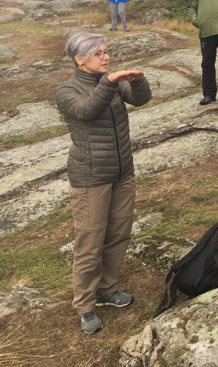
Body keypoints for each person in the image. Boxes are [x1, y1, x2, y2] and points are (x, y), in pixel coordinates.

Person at [55, 31, 152, 335]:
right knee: (90, 241)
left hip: (122, 172)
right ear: (79, 59)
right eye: (98, 53)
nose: (106, 57)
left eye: (106, 51)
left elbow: (141, 99)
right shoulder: (67, 90)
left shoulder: (108, 81)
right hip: (90, 178)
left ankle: (107, 288)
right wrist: (110, 82)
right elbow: (88, 111)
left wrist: (137, 80)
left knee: (119, 231)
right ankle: (85, 305)